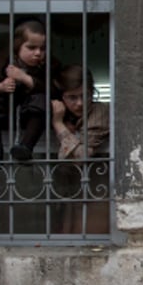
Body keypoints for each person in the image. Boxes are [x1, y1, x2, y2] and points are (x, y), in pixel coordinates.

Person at [0, 19, 59, 162]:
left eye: (42, 48)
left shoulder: (51, 64)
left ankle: (26, 148)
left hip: (32, 119)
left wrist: (26, 78)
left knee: (41, 99)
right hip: (4, 114)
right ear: (17, 46)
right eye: (31, 48)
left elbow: (56, 91)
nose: (38, 53)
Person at [51, 64, 110, 234]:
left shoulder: (99, 112)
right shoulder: (58, 111)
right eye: (72, 97)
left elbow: (81, 157)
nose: (80, 103)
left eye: (85, 96)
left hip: (95, 190)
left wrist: (58, 124)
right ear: (61, 97)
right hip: (65, 192)